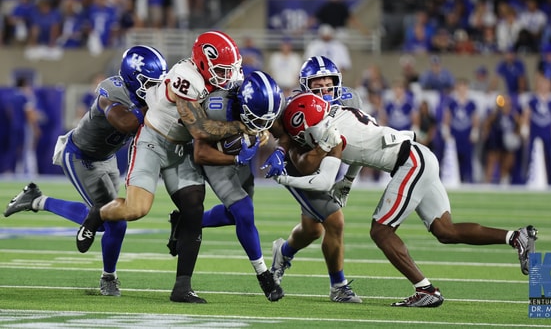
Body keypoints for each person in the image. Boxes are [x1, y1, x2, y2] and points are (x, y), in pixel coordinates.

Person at [273, 92, 538, 307]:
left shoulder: (329, 133)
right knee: (445, 231)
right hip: (420, 155)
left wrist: (283, 179)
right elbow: (361, 148)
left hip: (410, 164)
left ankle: (426, 290)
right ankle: (516, 237)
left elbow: (323, 180)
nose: (304, 140)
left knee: (381, 231)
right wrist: (349, 181)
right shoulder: (344, 114)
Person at [75, 30, 253, 304]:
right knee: (136, 210)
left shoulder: (218, 78)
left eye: (230, 69)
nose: (228, 76)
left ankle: (182, 287)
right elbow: (200, 129)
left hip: (179, 150)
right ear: (204, 64)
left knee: (194, 209)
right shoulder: (186, 78)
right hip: (153, 142)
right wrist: (241, 127)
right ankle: (98, 212)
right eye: (221, 70)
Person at [4, 45, 168, 297]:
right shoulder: (111, 91)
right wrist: (155, 106)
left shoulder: (143, 95)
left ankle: (109, 277)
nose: (155, 89)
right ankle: (38, 201)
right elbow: (124, 122)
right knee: (107, 220)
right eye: (150, 83)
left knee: (117, 219)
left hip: (107, 157)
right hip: (81, 156)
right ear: (132, 77)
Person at [168, 70, 284, 302]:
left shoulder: (263, 104)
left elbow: (279, 131)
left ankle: (184, 222)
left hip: (240, 156)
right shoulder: (217, 106)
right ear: (242, 105)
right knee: (244, 211)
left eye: (265, 119)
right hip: (215, 157)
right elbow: (200, 153)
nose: (261, 123)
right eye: (257, 118)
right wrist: (237, 158)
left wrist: (277, 147)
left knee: (236, 216)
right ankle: (264, 276)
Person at [262, 55, 363, 303]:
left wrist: (347, 180)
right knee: (334, 222)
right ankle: (338, 286)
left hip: (330, 162)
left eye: (329, 86)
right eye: (318, 87)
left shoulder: (349, 100)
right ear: (307, 87)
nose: (326, 91)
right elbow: (298, 156)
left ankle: (282, 254)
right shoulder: (295, 106)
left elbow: (360, 143)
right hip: (300, 167)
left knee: (312, 230)